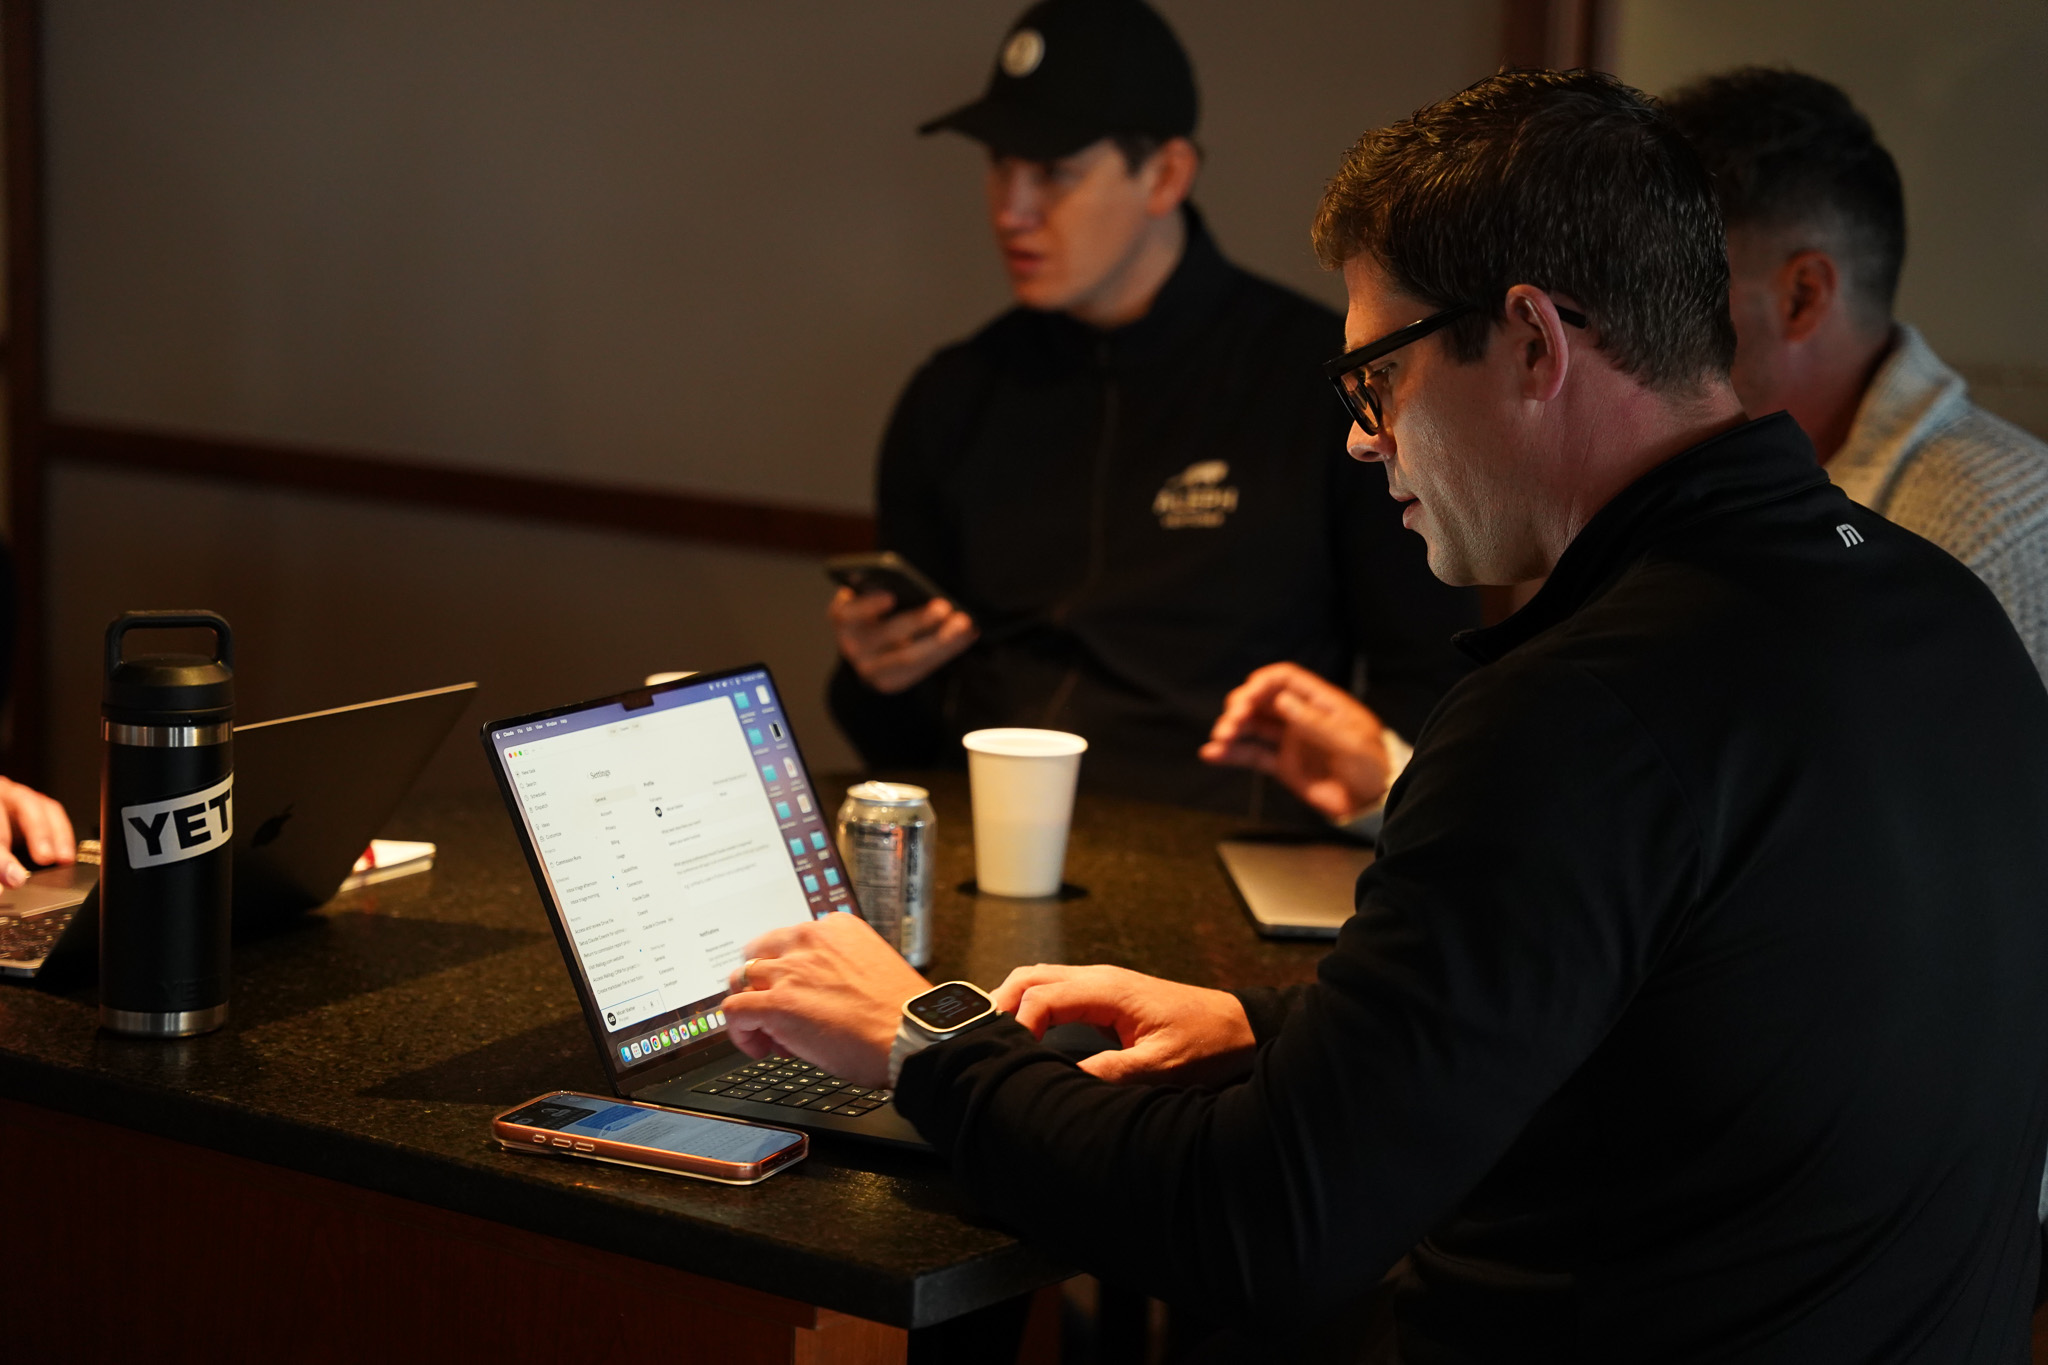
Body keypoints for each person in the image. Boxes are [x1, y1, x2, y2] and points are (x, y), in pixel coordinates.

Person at [724, 70, 2048, 1360]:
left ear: (1534, 340)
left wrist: (924, 1038)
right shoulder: (1939, 611)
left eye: (1378, 381)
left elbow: (1258, 1226)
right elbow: (1667, 1009)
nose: (1364, 440)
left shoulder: (1579, 707)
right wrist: (1268, 1028)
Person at [1214, 66, 2048, 827]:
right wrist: (1407, 790)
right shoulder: (1733, 530)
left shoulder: (1972, 532)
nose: (1652, 312)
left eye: (1695, 275)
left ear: (1801, 295)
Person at [826, 0, 1474, 816]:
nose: (1011, 208)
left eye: (1054, 171)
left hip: (1228, 845)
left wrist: (1366, 813)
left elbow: (1431, 677)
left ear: (1165, 175)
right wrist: (875, 673)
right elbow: (906, 738)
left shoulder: (1319, 385)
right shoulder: (957, 394)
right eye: (1000, 164)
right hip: (994, 838)